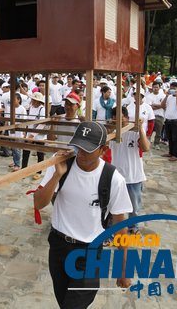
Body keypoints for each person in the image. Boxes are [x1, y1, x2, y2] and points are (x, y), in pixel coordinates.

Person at [34, 121, 132, 308]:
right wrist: (56, 176)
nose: (81, 153)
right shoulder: (61, 164)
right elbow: (39, 203)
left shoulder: (113, 179)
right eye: (78, 146)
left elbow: (121, 226)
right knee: (64, 302)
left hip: (90, 253)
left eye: (88, 149)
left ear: (103, 149)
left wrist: (124, 268)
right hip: (58, 247)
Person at [109, 107, 151, 233]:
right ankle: (112, 227)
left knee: (134, 206)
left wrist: (141, 128)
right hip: (116, 175)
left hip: (134, 175)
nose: (119, 121)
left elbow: (146, 148)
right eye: (115, 118)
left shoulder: (135, 131)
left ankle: (133, 227)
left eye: (121, 118)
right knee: (113, 204)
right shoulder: (112, 132)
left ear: (127, 117)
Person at [160, 82, 177, 161]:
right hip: (168, 120)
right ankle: (170, 152)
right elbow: (162, 105)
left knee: (175, 138)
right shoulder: (169, 97)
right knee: (169, 137)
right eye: (171, 88)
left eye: (174, 89)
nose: (172, 90)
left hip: (176, 120)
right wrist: (166, 96)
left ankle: (175, 154)